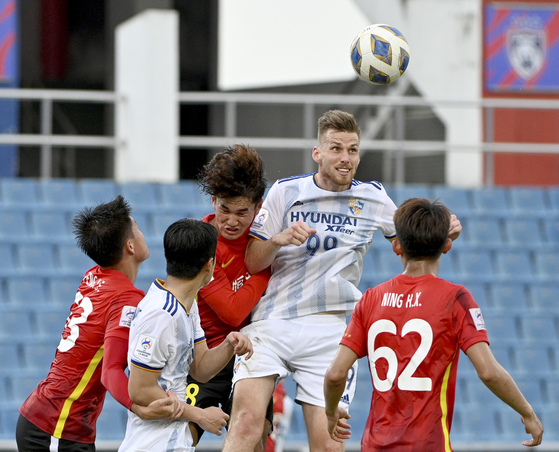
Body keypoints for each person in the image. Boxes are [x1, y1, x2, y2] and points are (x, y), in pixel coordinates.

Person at [223, 110, 462, 452]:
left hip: (330, 331)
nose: (345, 158)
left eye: (352, 150)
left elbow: (413, 245)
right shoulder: (285, 192)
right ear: (317, 152)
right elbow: (251, 258)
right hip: (272, 323)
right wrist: (278, 240)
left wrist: (444, 235)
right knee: (246, 424)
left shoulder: (374, 198)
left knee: (328, 444)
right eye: (336, 148)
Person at [323, 198, 544, 450]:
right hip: (428, 444)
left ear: (396, 246)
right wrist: (528, 413)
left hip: (375, 444)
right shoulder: (455, 299)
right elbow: (489, 372)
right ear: (448, 246)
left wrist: (331, 412)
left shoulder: (371, 298)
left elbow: (335, 374)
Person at [16, 196, 180, 452]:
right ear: (130, 246)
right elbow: (111, 370)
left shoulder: (93, 276)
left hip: (54, 422)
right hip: (55, 427)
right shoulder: (127, 297)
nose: (142, 233)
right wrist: (138, 408)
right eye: (136, 228)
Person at [118, 218, 253, 452]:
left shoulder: (188, 304)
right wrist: (200, 415)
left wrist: (228, 344)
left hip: (174, 441)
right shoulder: (160, 314)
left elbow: (200, 369)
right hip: (151, 445)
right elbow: (139, 389)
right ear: (209, 265)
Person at [186, 144, 278, 449]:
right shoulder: (200, 242)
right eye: (224, 209)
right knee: (183, 438)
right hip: (206, 358)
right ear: (214, 201)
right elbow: (233, 312)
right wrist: (262, 268)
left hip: (251, 355)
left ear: (258, 206)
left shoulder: (262, 238)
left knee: (257, 433)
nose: (232, 221)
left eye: (242, 212)